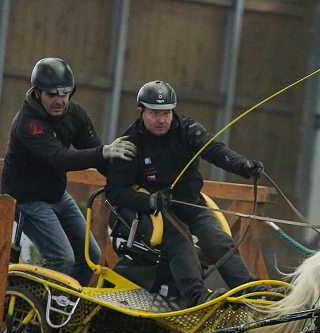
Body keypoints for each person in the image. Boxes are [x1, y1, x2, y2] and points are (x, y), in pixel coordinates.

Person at [104, 80, 264, 307]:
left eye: (167, 113)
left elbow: (214, 149)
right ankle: (197, 296)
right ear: (141, 111)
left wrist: (243, 166)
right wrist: (149, 201)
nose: (162, 120)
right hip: (157, 213)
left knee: (218, 240)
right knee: (180, 240)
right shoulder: (130, 143)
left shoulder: (187, 129)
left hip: (192, 203)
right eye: (154, 113)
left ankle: (251, 291)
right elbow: (114, 192)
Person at [1, 57, 137, 285]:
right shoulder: (28, 124)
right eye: (52, 94)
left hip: (56, 194)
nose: (60, 100)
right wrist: (104, 151)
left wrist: (130, 181)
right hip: (27, 200)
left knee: (91, 257)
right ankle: (35, 305)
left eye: (65, 94)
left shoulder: (74, 114)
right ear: (37, 93)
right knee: (62, 259)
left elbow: (95, 153)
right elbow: (60, 159)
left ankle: (64, 311)